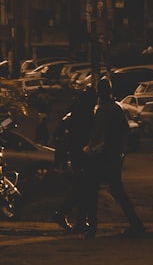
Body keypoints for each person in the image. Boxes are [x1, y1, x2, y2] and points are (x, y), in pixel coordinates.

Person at [85, 78, 144, 239]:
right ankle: (136, 223)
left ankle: (92, 227)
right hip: (115, 156)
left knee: (92, 190)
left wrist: (89, 149)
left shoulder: (103, 110)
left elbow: (96, 136)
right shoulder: (117, 108)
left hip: (102, 156)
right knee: (117, 191)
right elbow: (125, 131)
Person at [53, 86, 98, 234]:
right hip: (81, 154)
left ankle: (77, 219)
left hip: (77, 153)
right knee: (83, 187)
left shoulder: (78, 110)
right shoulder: (85, 113)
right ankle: (68, 214)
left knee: (82, 187)